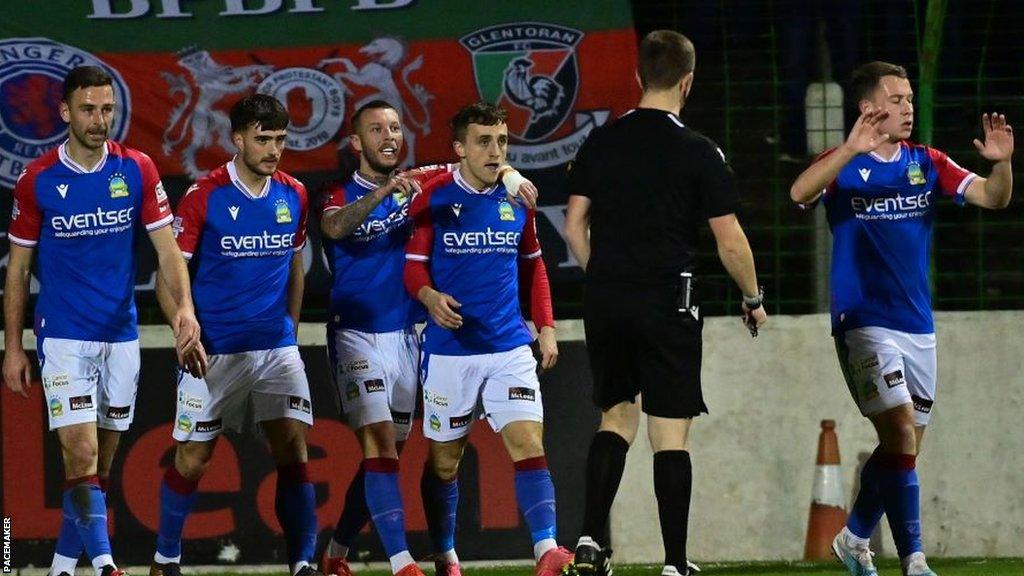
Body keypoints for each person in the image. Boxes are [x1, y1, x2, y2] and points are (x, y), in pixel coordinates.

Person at [789, 61, 1013, 576]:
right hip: (862, 322)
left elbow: (994, 198)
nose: (908, 107)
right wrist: (849, 149)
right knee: (901, 434)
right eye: (897, 98)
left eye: (910, 98)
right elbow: (799, 193)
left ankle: (853, 536)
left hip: (918, 326)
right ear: (870, 108)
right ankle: (915, 560)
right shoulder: (843, 163)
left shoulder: (927, 162)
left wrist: (1001, 165)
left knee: (902, 448)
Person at [563, 30, 767, 576]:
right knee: (669, 430)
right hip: (668, 299)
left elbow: (573, 226)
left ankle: (587, 539)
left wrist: (603, 273)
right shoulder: (698, 151)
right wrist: (753, 296)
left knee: (614, 417)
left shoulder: (600, 141)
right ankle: (675, 563)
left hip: (607, 298)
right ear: (688, 81)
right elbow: (730, 241)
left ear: (638, 78)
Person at [318, 100, 538, 576]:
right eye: (376, 129)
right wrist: (385, 194)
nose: (388, 136)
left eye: (395, 127)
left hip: (408, 334)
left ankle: (336, 551)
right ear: (357, 142)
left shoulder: (427, 177)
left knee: (387, 452)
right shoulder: (337, 192)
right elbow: (334, 227)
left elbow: (484, 158)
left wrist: (513, 177)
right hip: (355, 333)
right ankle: (402, 563)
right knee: (378, 444)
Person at [3, 65, 200, 576]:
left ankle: (63, 568)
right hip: (63, 335)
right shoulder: (38, 180)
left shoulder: (136, 168)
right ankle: (108, 564)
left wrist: (184, 310)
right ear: (66, 112)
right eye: (88, 109)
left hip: (121, 336)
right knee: (82, 452)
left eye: (107, 109)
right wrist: (13, 347)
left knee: (98, 467)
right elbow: (19, 270)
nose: (99, 119)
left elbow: (168, 250)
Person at [147, 94, 321, 576]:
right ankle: (165, 559)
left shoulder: (294, 194)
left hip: (275, 349)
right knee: (193, 459)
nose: (273, 149)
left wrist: (290, 327)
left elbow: (295, 266)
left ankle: (303, 563)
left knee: (293, 449)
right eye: (263, 139)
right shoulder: (205, 195)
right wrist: (183, 326)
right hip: (215, 351)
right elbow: (168, 272)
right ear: (238, 138)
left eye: (281, 140)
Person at [403, 102, 573, 576]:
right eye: (483, 141)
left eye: (502, 141)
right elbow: (412, 267)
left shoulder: (518, 200)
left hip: (508, 348)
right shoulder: (433, 198)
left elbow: (534, 265)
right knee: (444, 463)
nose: (495, 151)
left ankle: (546, 550)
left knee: (528, 442)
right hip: (449, 352)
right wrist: (429, 296)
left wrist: (547, 327)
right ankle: (445, 553)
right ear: (459, 148)